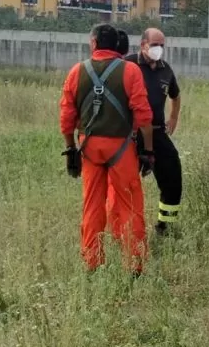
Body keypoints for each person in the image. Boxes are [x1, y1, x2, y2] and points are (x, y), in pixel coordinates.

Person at [59, 23, 155, 274]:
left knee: (92, 206)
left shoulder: (76, 71)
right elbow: (144, 116)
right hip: (122, 148)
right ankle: (134, 266)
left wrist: (71, 150)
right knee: (130, 207)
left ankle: (92, 263)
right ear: (116, 44)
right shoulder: (130, 70)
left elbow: (67, 117)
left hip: (89, 147)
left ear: (93, 43)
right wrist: (148, 151)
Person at [125, 28, 183, 235]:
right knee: (126, 183)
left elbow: (176, 96)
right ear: (143, 45)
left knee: (173, 177)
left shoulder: (165, 69)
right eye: (155, 44)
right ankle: (127, 228)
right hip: (132, 134)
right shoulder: (128, 64)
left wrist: (173, 117)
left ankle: (164, 226)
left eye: (162, 45)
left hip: (158, 132)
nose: (159, 49)